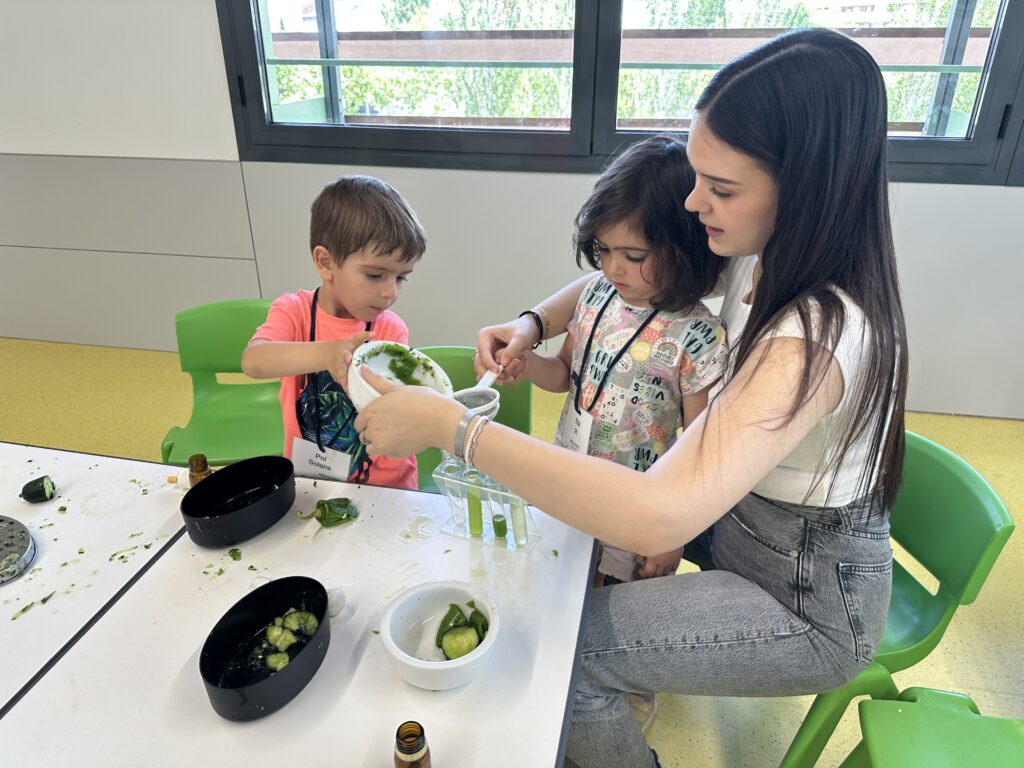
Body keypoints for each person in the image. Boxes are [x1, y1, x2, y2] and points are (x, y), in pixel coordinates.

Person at [353, 29, 907, 768]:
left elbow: (659, 511)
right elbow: (608, 285)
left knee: (569, 653)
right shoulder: (760, 255)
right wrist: (533, 323)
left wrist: (455, 429)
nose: (694, 201)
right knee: (561, 579)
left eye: (721, 188)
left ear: (805, 187)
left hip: (804, 596)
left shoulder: (815, 336)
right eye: (698, 177)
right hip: (739, 522)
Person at [515, 135, 727, 587]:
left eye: (633, 256)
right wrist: (527, 364)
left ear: (682, 246)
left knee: (613, 604)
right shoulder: (596, 295)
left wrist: (674, 531)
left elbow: (699, 450)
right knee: (556, 582)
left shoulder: (697, 335)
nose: (613, 268)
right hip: (567, 476)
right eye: (604, 250)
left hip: (635, 505)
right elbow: (564, 375)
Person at [242, 175, 425, 490]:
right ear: (325, 262)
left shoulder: (389, 329)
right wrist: (326, 353)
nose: (390, 293)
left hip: (385, 487)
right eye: (375, 275)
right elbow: (254, 361)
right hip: (311, 480)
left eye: (401, 278)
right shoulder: (294, 312)